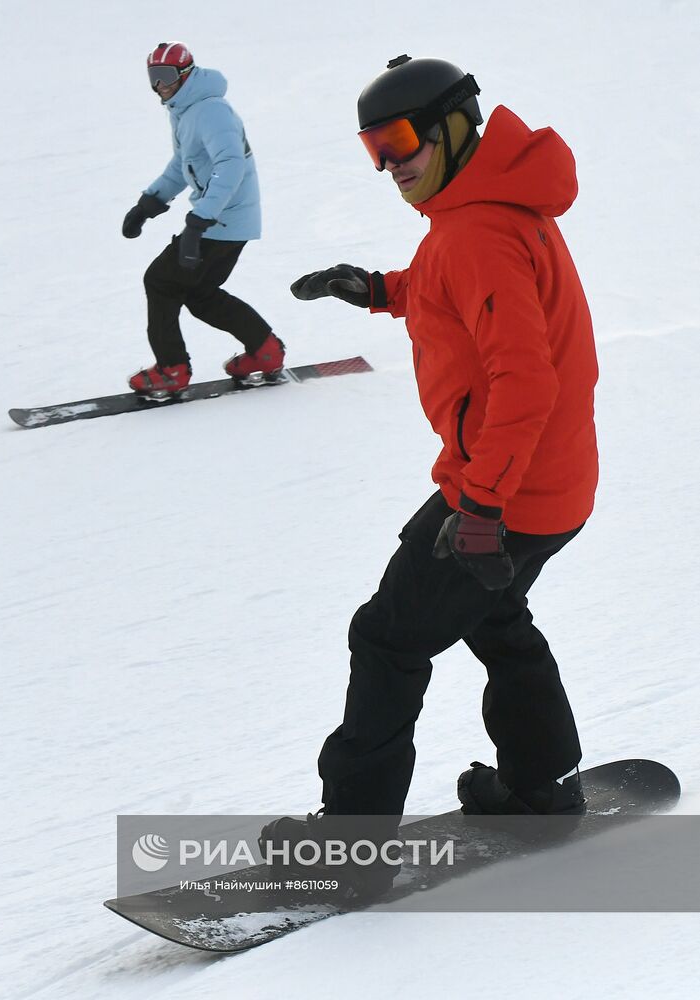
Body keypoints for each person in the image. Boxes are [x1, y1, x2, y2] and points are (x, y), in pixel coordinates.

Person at [260, 55, 599, 895]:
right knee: (492, 612)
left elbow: (523, 380)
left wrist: (481, 505)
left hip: (503, 489)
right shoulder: (484, 213)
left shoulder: (476, 230)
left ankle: (349, 850)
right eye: (373, 146)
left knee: (388, 638)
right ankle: (538, 785)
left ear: (452, 126)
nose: (389, 161)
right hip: (551, 488)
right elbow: (455, 285)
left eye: (401, 138)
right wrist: (377, 288)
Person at [123, 42, 284, 395]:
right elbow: (183, 165)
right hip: (229, 220)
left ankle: (172, 369)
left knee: (161, 281)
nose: (159, 86)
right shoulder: (186, 110)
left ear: (185, 73)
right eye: (153, 77)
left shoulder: (210, 111)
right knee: (200, 294)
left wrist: (199, 221)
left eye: (164, 77)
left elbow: (231, 165)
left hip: (222, 220)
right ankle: (264, 351)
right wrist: (148, 204)